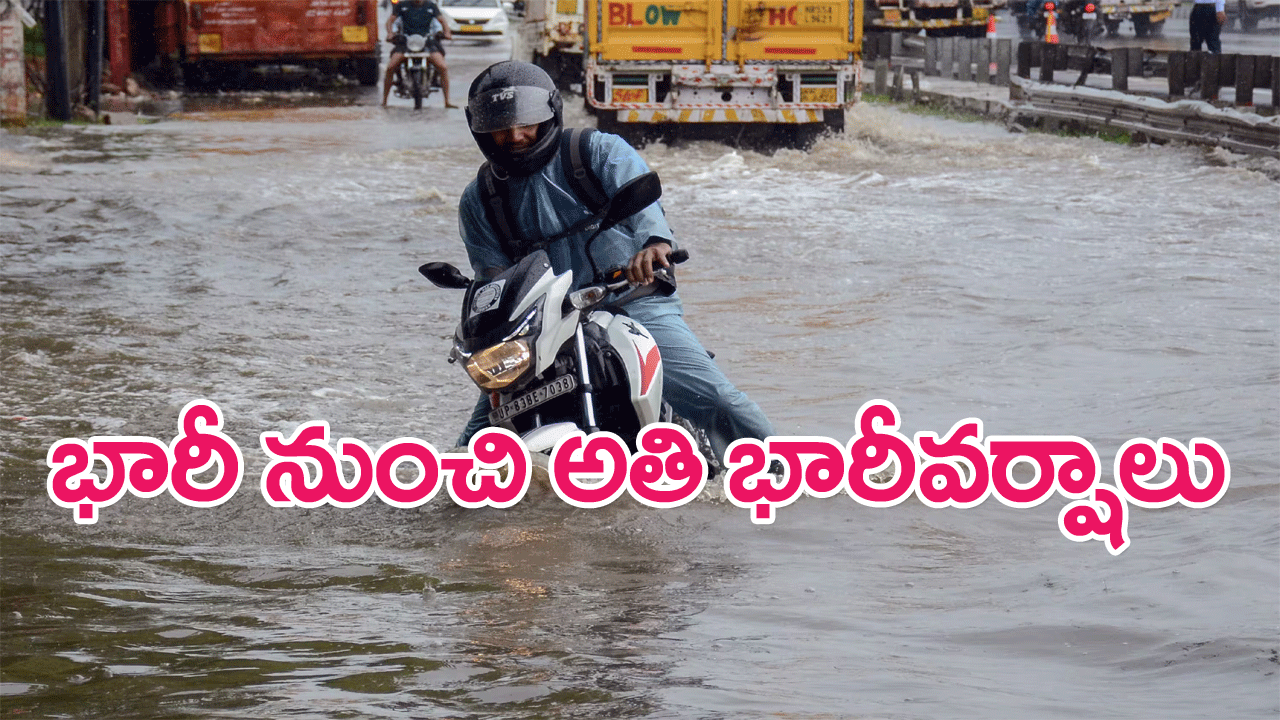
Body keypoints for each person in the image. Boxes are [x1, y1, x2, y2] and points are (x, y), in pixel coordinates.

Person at [453, 61, 775, 460]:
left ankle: (783, 472)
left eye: (526, 124)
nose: (515, 136)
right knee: (474, 441)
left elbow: (647, 212)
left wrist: (655, 245)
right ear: (480, 129)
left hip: (632, 301)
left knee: (715, 398)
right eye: (500, 128)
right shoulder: (479, 199)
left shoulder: (595, 151)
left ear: (551, 114)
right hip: (543, 329)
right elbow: (493, 280)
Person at [382, 0, 456, 107]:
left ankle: (447, 101)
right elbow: (390, 21)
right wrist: (390, 33)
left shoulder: (431, 6)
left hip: (427, 43)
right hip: (406, 42)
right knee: (390, 67)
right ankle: (384, 101)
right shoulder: (402, 6)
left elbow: (443, 21)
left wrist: (447, 33)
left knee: (442, 67)